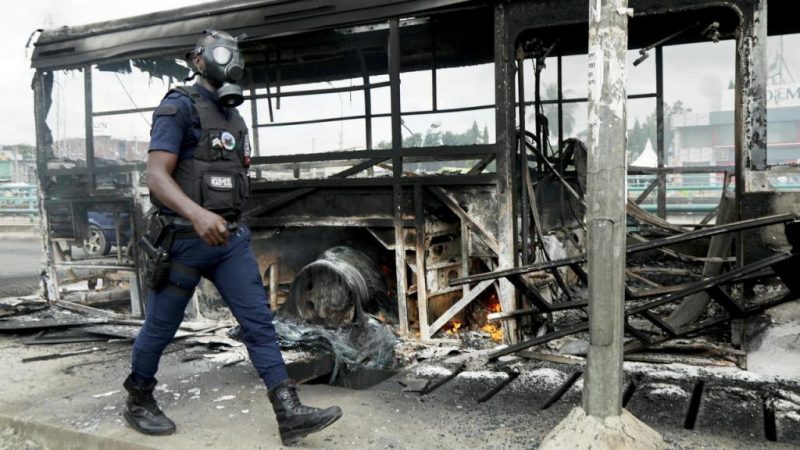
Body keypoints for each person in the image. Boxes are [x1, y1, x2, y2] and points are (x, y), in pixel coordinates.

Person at [123, 29, 342, 445]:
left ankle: (288, 412)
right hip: (183, 241)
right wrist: (197, 213)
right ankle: (138, 398)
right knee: (161, 328)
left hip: (228, 241)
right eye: (222, 52)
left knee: (259, 323)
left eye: (236, 53)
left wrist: (219, 216)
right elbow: (155, 177)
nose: (232, 60)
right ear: (198, 60)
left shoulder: (233, 115)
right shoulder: (178, 107)